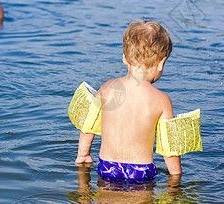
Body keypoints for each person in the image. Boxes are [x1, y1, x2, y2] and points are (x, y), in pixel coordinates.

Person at [75, 20, 182, 183]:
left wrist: (83, 155)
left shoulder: (107, 87)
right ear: (161, 63)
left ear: (125, 58)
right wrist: (176, 178)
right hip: (140, 171)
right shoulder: (162, 100)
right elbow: (169, 148)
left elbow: (88, 126)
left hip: (107, 167)